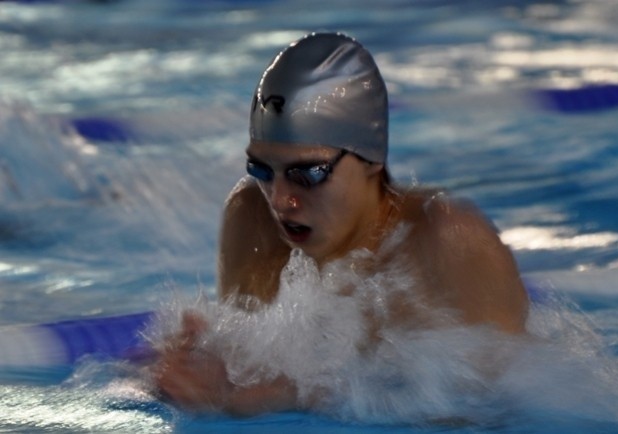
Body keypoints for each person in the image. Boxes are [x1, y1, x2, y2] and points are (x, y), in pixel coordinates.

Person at [152, 32, 529, 416]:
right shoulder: (252, 217)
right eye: (262, 169)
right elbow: (248, 375)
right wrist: (187, 377)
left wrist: (287, 396)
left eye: (308, 174)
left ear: (371, 159)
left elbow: (497, 412)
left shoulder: (447, 242)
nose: (280, 200)